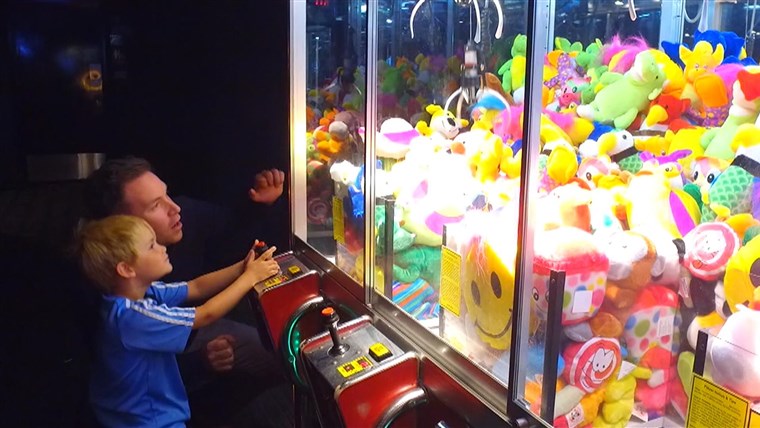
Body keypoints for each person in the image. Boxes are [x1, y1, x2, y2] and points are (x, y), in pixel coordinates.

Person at [82, 157, 287, 421]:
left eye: (167, 195)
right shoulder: (127, 314)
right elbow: (204, 314)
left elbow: (195, 286)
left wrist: (243, 266)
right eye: (155, 205)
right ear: (122, 226)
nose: (175, 208)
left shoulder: (144, 290)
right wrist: (250, 278)